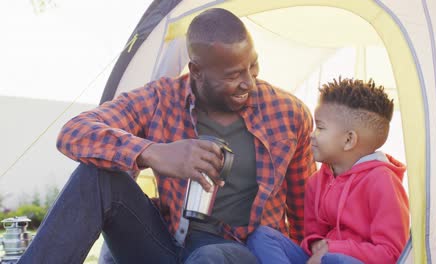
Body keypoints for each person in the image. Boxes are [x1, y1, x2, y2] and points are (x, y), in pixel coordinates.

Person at [18, 8, 315, 264]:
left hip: (243, 252)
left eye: (253, 66)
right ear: (196, 71)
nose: (248, 82)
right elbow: (74, 132)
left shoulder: (289, 113)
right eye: (232, 75)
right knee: (96, 177)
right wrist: (153, 153)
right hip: (170, 245)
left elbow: (305, 213)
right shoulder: (162, 99)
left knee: (212, 256)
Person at [246, 78, 410, 264]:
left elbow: (392, 254)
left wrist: (332, 249)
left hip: (349, 261)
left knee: (336, 260)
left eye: (320, 128)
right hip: (321, 259)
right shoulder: (316, 182)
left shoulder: (383, 181)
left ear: (348, 140)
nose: (311, 135)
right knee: (262, 236)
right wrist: (316, 245)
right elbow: (312, 238)